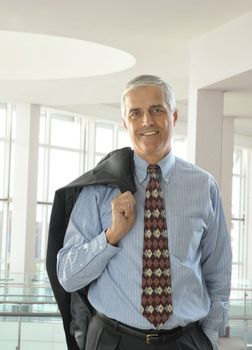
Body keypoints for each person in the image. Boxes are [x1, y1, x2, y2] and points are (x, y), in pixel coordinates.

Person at [57, 75, 232, 350]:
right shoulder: (99, 189)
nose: (147, 121)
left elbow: (218, 272)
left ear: (174, 115)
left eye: (157, 110)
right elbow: (68, 277)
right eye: (135, 113)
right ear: (125, 122)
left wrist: (209, 338)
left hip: (186, 341)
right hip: (113, 341)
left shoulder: (204, 186)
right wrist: (111, 236)